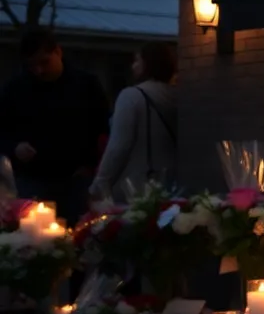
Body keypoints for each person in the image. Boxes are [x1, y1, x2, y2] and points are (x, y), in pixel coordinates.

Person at [0, 29, 110, 225]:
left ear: (58, 52)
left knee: (79, 232)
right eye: (32, 66)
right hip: (32, 178)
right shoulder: (16, 89)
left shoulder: (86, 85)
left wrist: (90, 165)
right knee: (34, 238)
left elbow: (102, 129)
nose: (39, 70)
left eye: (44, 62)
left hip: (76, 178)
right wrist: (15, 147)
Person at [90, 42, 178, 200]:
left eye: (137, 60)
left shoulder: (132, 96)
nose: (133, 66)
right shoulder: (178, 97)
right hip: (172, 185)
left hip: (136, 186)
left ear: (148, 64)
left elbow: (118, 146)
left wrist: (100, 183)